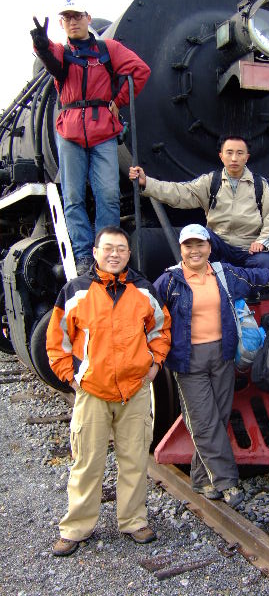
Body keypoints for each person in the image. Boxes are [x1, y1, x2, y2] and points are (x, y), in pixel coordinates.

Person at [46, 226, 171, 557]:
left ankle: (133, 521)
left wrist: (154, 365)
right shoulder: (76, 291)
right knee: (87, 462)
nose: (114, 254)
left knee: (134, 459)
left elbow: (160, 329)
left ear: (129, 253)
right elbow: (57, 340)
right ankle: (76, 528)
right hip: (93, 392)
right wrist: (72, 378)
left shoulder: (143, 290)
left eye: (121, 249)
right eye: (108, 248)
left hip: (135, 390)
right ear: (96, 252)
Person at [153, 224, 269, 507]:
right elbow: (147, 310)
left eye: (200, 245)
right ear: (181, 249)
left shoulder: (223, 274)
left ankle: (201, 478)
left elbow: (256, 277)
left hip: (223, 355)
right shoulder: (169, 281)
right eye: (189, 246)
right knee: (204, 421)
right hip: (188, 360)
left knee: (219, 416)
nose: (195, 251)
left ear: (209, 247)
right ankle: (227, 481)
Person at [30, 0, 151, 274]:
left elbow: (140, 70)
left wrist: (118, 101)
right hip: (70, 132)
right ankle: (85, 255)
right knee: (73, 197)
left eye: (77, 16)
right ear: (61, 23)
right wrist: (41, 44)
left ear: (88, 18)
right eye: (67, 18)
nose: (72, 21)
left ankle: (106, 252)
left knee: (108, 195)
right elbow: (50, 57)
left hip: (103, 130)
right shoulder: (61, 52)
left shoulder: (109, 49)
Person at [129, 135, 269, 269]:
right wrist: (147, 183)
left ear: (247, 157)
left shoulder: (260, 184)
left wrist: (263, 242)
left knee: (267, 264)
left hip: (248, 248)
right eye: (229, 153)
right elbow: (180, 192)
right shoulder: (211, 181)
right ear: (221, 156)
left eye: (239, 153)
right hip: (218, 245)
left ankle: (254, 290)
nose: (234, 158)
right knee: (202, 234)